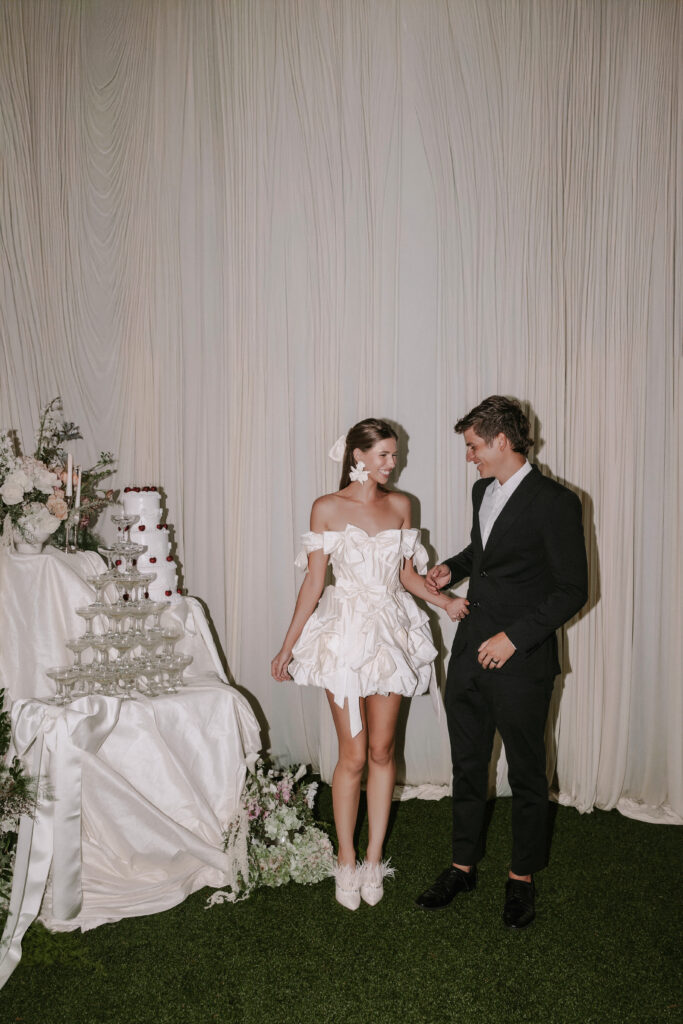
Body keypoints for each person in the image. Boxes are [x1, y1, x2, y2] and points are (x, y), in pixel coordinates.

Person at [271, 419, 469, 911]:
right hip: (344, 634)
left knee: (383, 751)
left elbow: (406, 576)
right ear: (357, 455)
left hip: (389, 632)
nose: (392, 463)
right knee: (353, 755)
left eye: (394, 455)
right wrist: (287, 647)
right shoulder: (326, 508)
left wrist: (443, 602)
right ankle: (345, 856)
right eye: (384, 454)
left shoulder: (401, 506)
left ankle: (374, 857)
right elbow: (314, 584)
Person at [415, 396, 588, 928]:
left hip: (521, 659)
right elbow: (484, 556)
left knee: (527, 772)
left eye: (473, 446)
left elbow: (571, 590)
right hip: (469, 652)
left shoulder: (557, 502)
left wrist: (515, 639)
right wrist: (450, 569)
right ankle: (462, 867)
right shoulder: (480, 491)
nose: (469, 457)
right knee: (467, 766)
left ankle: (521, 878)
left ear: (501, 441)